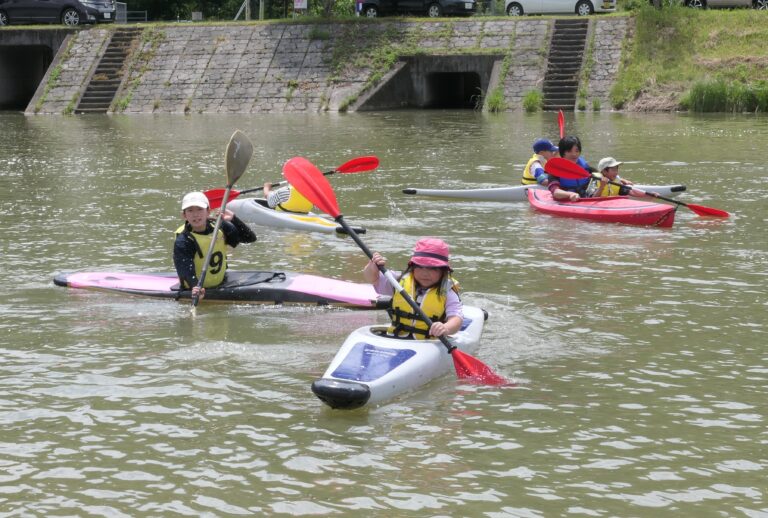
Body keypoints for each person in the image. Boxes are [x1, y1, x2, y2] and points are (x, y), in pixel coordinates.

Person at [363, 238, 463, 339]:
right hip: (396, 337)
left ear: (443, 271)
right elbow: (372, 278)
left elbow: (456, 319)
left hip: (428, 343)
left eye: (433, 268)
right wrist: (372, 267)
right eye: (420, 267)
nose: (425, 273)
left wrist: (446, 328)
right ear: (413, 267)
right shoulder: (398, 281)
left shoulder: (447, 291)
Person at [173, 191, 257, 300]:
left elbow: (250, 238)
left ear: (208, 211)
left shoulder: (220, 226)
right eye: (190, 210)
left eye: (200, 209)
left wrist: (234, 219)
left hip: (222, 281)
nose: (195, 214)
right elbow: (184, 270)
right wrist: (195, 287)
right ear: (184, 215)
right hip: (195, 288)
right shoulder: (184, 241)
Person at [547, 135, 597, 201]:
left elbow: (596, 179)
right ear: (563, 153)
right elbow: (555, 192)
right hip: (566, 200)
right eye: (569, 151)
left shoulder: (584, 166)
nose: (574, 154)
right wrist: (570, 194)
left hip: (585, 198)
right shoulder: (555, 170)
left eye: (577, 151)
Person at [588, 157, 658, 198]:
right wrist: (601, 187)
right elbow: (592, 198)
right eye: (613, 170)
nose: (616, 172)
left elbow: (631, 192)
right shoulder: (595, 180)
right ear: (604, 171)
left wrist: (649, 195)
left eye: (616, 169)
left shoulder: (616, 181)